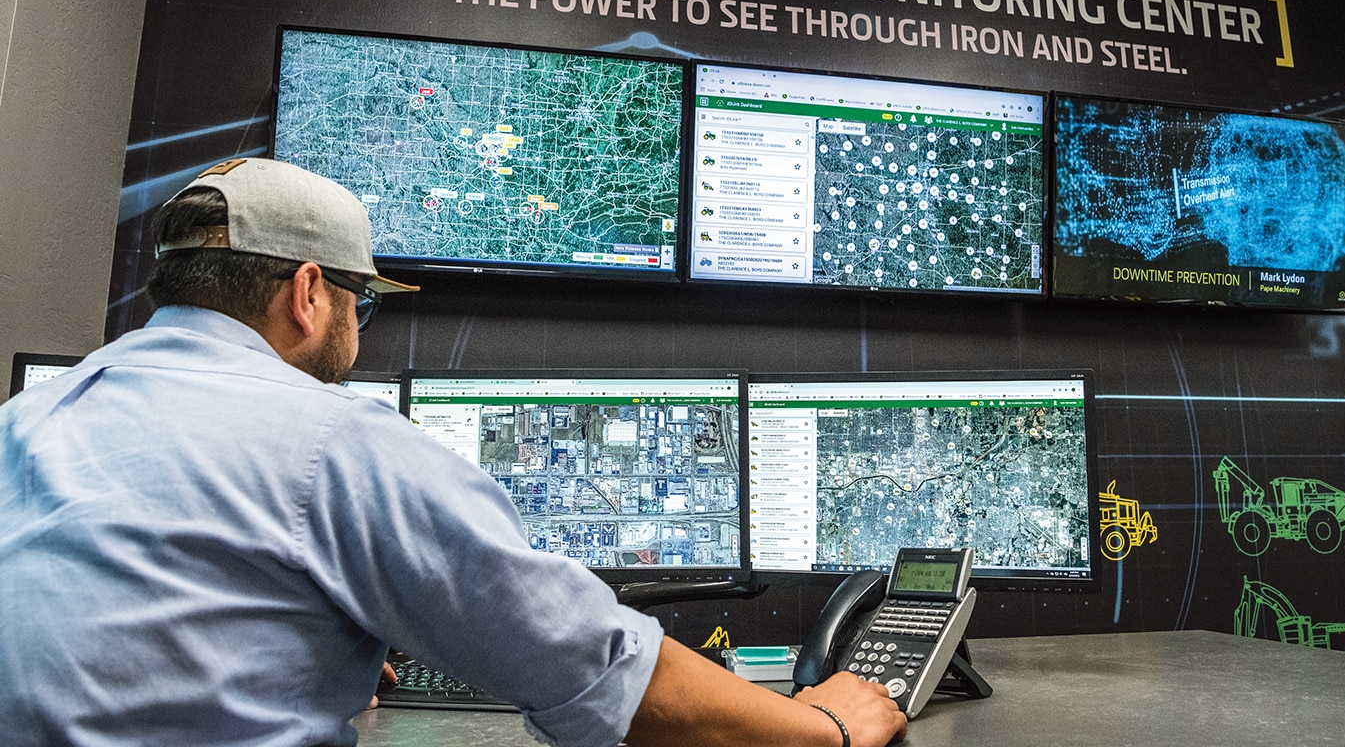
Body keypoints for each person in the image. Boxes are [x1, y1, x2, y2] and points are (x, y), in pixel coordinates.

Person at [0, 158, 907, 747]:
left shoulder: (27, 422)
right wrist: (820, 725)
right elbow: (599, 671)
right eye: (365, 299)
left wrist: (295, 643)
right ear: (310, 292)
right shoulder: (334, 439)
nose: (360, 324)